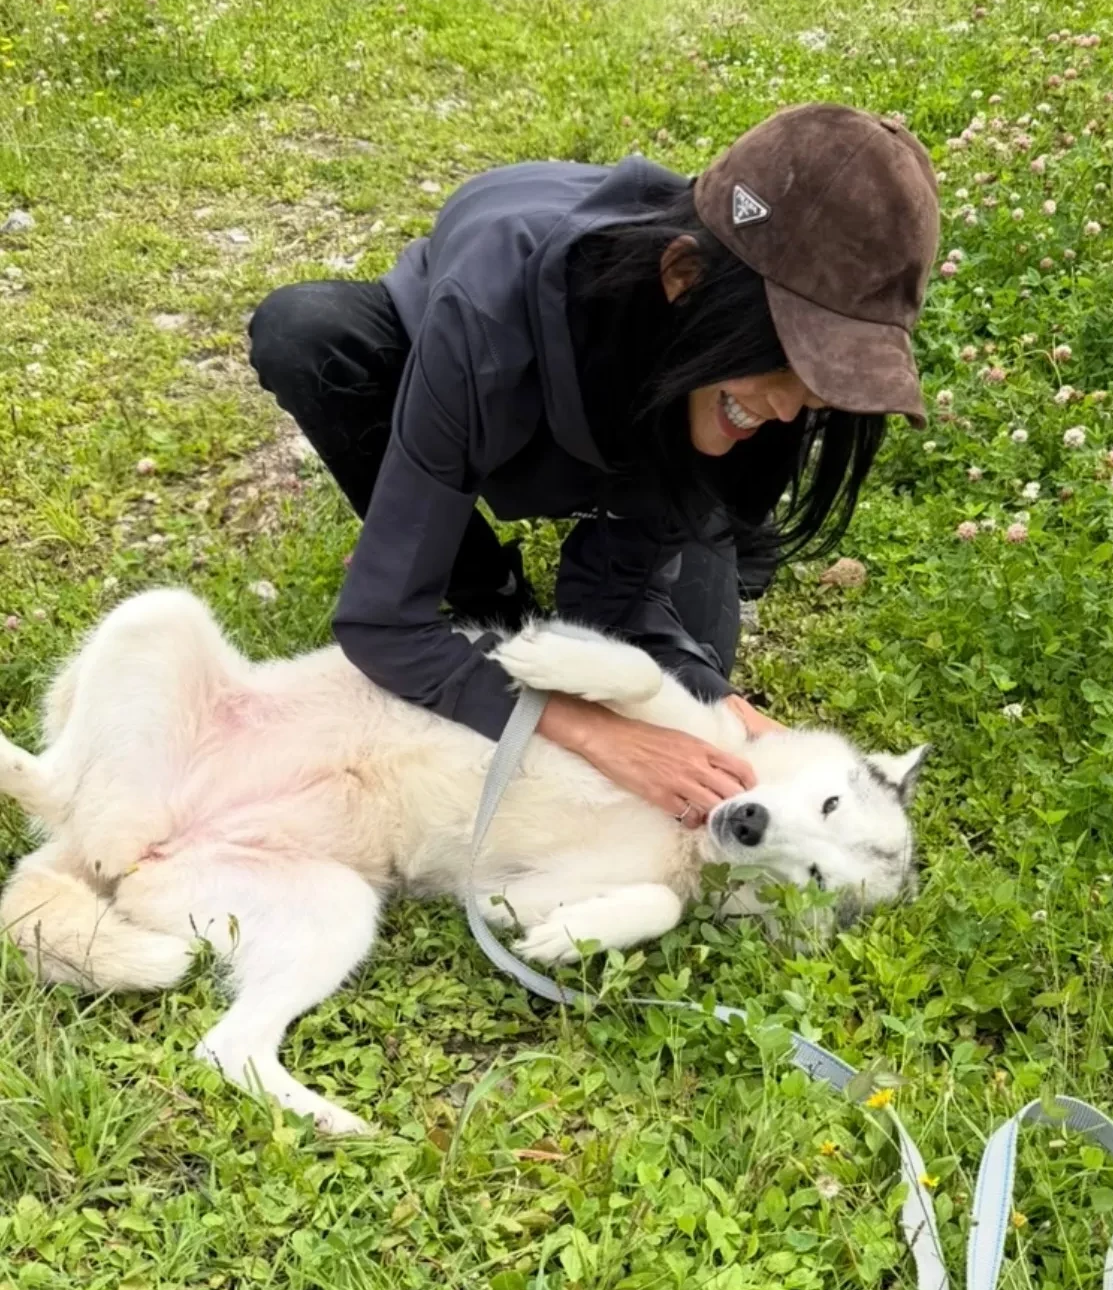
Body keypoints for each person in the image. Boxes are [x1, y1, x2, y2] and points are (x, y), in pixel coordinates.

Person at [247, 101, 939, 829]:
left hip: (667, 398)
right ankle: (483, 585)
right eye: (789, 359)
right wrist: (596, 732)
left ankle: (729, 538)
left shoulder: (748, 371)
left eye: (827, 378)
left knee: (695, 678)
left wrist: (722, 707)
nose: (793, 410)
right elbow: (382, 624)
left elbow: (619, 607)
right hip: (501, 387)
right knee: (307, 334)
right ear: (683, 278)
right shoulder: (485, 315)